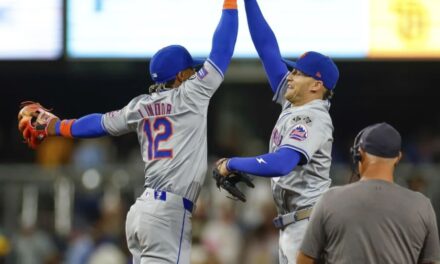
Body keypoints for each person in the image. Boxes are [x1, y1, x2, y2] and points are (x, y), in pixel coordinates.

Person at [17, 0, 239, 262]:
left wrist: (57, 126)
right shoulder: (191, 94)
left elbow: (99, 124)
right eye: (191, 69)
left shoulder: (140, 106)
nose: (195, 73)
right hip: (168, 212)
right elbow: (223, 47)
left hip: (143, 211)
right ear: (180, 76)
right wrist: (231, 4)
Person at [214, 0, 339, 263]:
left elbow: (283, 162)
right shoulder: (295, 101)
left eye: (298, 73)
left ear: (317, 85)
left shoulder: (312, 117)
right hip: (295, 224)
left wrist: (232, 163)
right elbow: (267, 48)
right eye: (292, 70)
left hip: (309, 225)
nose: (290, 76)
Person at [297, 122, 440, 264]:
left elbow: (303, 261)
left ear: (359, 154)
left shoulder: (329, 200)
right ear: (398, 157)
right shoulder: (422, 206)